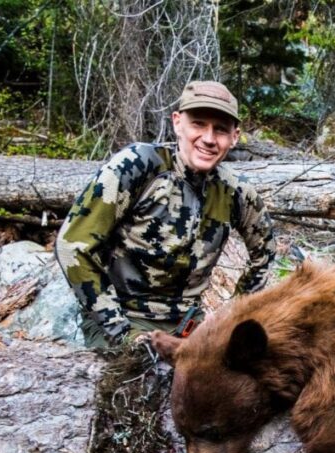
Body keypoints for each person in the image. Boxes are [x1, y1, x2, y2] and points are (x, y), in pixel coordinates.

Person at [56, 80, 275, 347]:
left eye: (220, 130)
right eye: (198, 124)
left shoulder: (236, 192)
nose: (208, 138)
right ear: (177, 122)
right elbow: (72, 245)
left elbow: (264, 254)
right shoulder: (138, 166)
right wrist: (119, 329)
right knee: (148, 375)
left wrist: (230, 319)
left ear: (234, 137)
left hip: (188, 324)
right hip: (123, 318)